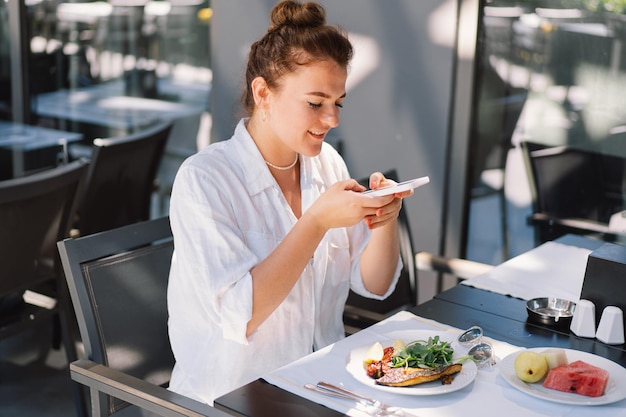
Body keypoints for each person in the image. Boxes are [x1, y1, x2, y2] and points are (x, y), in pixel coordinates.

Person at [167, 0, 414, 405]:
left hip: (320, 385)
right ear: (263, 93)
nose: (332, 119)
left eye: (338, 102)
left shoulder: (327, 164)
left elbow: (376, 286)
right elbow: (241, 316)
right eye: (316, 103)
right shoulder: (206, 180)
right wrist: (315, 223)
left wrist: (384, 220)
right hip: (230, 398)